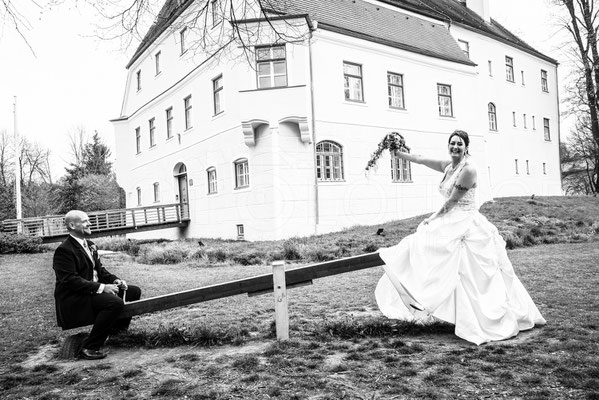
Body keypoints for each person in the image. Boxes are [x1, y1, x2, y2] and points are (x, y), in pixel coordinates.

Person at [375, 130, 546, 345]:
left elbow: (452, 202)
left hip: (464, 222)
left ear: (466, 147)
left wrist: (433, 218)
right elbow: (421, 159)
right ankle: (426, 295)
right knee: (422, 244)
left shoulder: (468, 170)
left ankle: (468, 313)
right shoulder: (449, 166)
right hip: (451, 220)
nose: (455, 147)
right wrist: (400, 154)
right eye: (452, 143)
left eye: (459, 144)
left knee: (453, 259)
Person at [53, 210, 141, 360]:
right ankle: (90, 347)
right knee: (114, 303)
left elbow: (100, 271)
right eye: (85, 221)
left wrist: (115, 281)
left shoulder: (91, 245)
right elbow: (70, 280)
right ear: (72, 225)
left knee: (133, 291)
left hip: (91, 293)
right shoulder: (64, 250)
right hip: (75, 298)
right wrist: (102, 288)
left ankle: (116, 335)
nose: (90, 223)